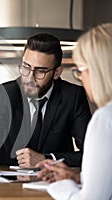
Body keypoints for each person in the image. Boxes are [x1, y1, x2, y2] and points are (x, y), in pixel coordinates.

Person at [0, 33, 92, 170]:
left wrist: (46, 158)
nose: (30, 78)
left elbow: (91, 153)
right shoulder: (4, 93)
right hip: (9, 184)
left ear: (57, 72)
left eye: (40, 71)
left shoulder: (73, 96)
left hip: (54, 182)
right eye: (26, 67)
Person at [36, 23, 112, 199]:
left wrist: (61, 186)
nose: (81, 79)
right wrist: (80, 178)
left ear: (98, 71)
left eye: (80, 71)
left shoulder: (104, 119)